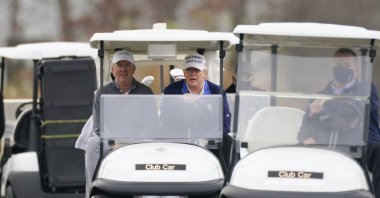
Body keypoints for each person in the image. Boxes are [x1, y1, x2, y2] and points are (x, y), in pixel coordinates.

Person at [297, 48, 380, 197]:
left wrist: (329, 101)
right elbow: (304, 129)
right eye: (339, 66)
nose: (342, 70)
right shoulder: (319, 96)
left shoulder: (367, 90)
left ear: (356, 68)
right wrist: (307, 138)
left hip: (361, 149)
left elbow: (359, 108)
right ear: (332, 68)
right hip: (327, 147)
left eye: (347, 66)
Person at [84, 49, 153, 197]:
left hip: (138, 142)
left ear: (133, 69)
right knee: (92, 144)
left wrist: (133, 142)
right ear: (113, 69)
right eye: (119, 65)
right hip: (112, 142)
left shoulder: (145, 92)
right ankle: (91, 191)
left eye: (127, 65)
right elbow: (98, 126)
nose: (123, 69)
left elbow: (150, 124)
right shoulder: (101, 93)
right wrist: (114, 141)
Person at [163, 53, 232, 167]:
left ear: (205, 73)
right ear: (184, 73)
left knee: (227, 140)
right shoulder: (171, 91)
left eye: (197, 70)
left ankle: (224, 178)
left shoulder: (217, 91)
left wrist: (206, 137)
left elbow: (225, 125)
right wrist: (180, 103)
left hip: (209, 141)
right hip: (179, 141)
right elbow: (165, 120)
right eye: (189, 70)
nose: (192, 74)